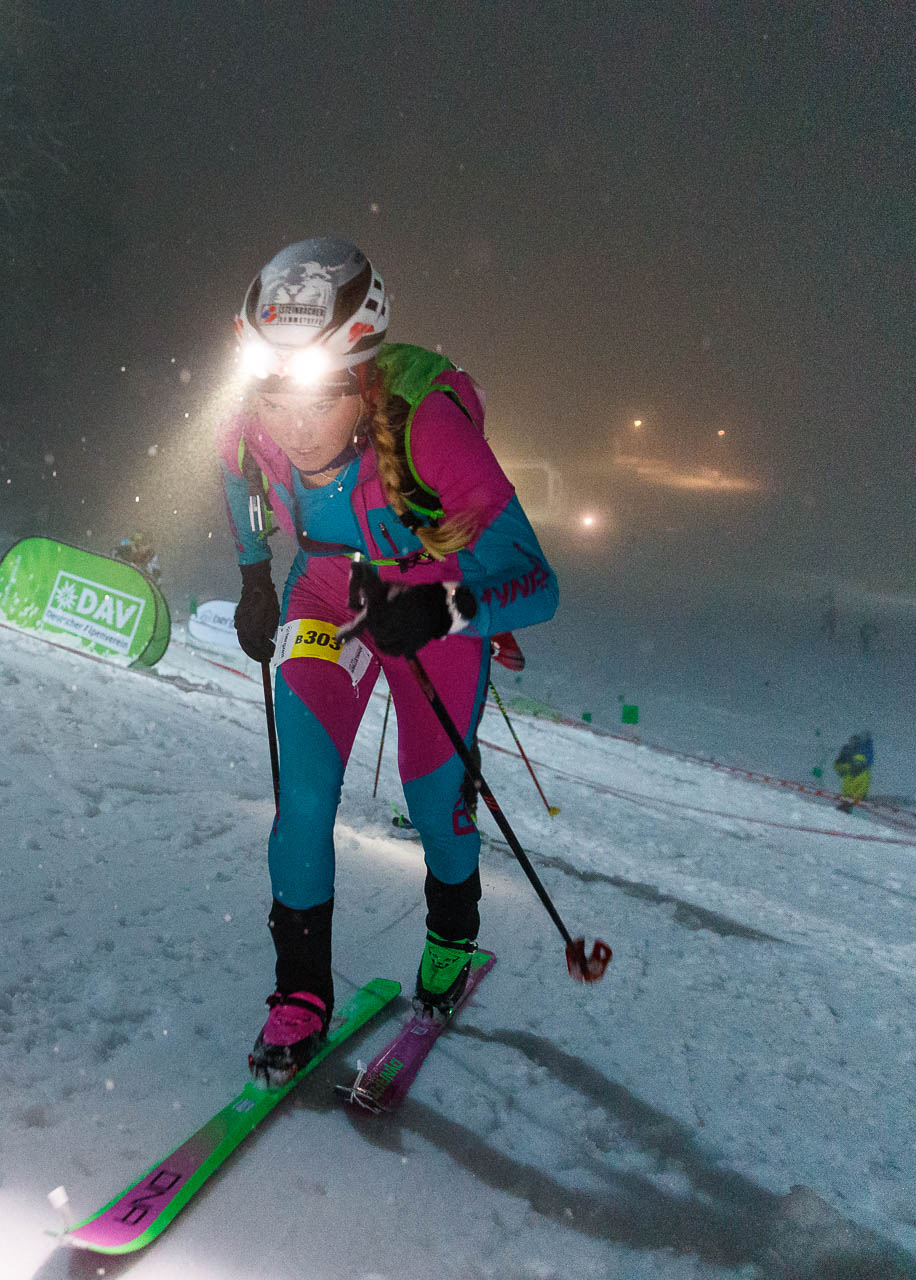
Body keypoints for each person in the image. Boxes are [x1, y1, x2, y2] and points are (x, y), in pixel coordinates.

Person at [217, 237, 559, 1084]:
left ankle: (450, 938)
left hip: (432, 597)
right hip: (328, 590)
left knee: (432, 790)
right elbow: (235, 473)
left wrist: (442, 607)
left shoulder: (428, 427)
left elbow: (537, 582)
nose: (293, 426)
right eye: (276, 395)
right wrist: (256, 574)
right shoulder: (257, 418)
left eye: (320, 399)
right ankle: (299, 995)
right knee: (301, 798)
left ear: (362, 377)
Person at [833, 731, 873, 811]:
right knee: (850, 781)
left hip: (855, 797)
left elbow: (863, 787)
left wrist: (855, 797)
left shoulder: (860, 750)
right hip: (851, 796)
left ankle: (848, 805)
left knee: (857, 781)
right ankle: (847, 805)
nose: (853, 743)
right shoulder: (849, 750)